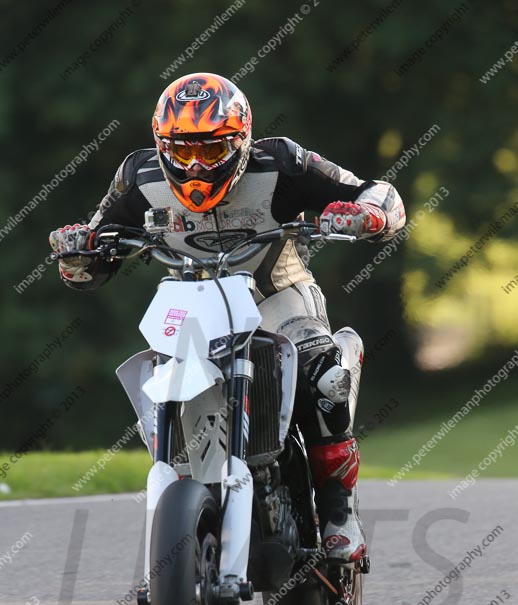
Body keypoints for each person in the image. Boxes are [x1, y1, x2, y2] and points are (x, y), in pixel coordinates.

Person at [49, 72, 405, 564]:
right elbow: (92, 257)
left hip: (278, 299)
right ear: (160, 146)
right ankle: (182, 504)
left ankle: (339, 511)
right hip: (188, 307)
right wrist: (77, 252)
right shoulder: (138, 175)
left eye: (212, 152)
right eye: (181, 152)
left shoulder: (282, 161)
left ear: (241, 142)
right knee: (157, 383)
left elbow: (379, 192)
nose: (195, 167)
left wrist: (368, 215)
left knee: (323, 379)